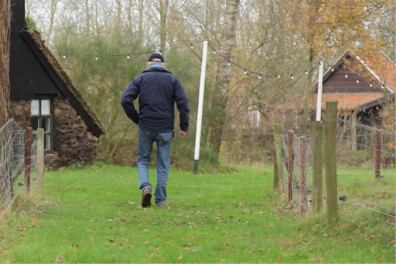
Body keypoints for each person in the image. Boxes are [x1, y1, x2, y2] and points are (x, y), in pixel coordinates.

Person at [121, 52, 189, 208]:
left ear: (148, 64)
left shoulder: (141, 78)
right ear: (163, 65)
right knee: (163, 165)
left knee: (143, 160)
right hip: (165, 129)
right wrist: (183, 126)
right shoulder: (172, 80)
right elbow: (183, 104)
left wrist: (137, 118)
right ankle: (160, 200)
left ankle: (146, 187)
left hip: (146, 126)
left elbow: (125, 99)